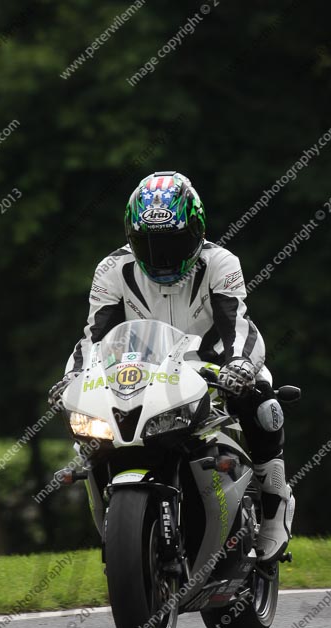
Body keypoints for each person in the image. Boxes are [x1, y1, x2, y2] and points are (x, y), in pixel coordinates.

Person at [49, 171, 294, 563]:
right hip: (143, 372)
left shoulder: (221, 262)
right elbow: (94, 337)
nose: (162, 257)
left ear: (196, 231)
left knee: (263, 402)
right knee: (92, 431)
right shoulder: (111, 270)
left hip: (214, 366)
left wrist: (241, 366)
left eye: (173, 243)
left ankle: (275, 506)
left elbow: (238, 325)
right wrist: (72, 377)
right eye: (149, 245)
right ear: (131, 239)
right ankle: (122, 525)